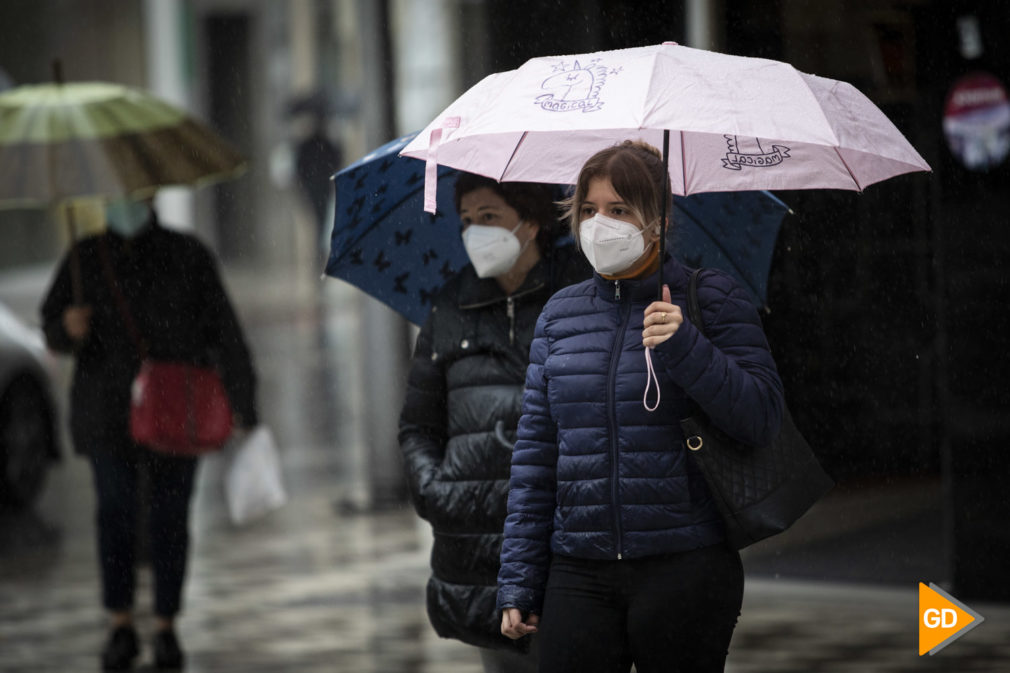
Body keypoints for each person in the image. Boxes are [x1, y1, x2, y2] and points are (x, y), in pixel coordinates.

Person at [496, 140, 785, 673]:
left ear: (660, 220)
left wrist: (687, 347)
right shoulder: (560, 315)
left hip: (685, 565)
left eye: (619, 209)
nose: (599, 223)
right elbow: (536, 458)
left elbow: (761, 417)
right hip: (578, 570)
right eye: (589, 210)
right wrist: (518, 577)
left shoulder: (712, 299)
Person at [40, 198, 258, 671]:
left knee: (170, 516)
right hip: (107, 413)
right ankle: (120, 622)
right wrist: (67, 328)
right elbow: (52, 327)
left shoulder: (187, 254)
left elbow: (225, 329)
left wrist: (244, 403)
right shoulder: (83, 259)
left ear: (152, 195)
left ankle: (165, 625)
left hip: (178, 410)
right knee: (114, 512)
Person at [398, 173, 590, 672]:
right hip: (479, 540)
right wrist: (434, 490)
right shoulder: (450, 306)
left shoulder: (580, 295)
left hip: (562, 533)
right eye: (466, 220)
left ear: (530, 223)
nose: (475, 232)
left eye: (489, 217)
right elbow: (418, 425)